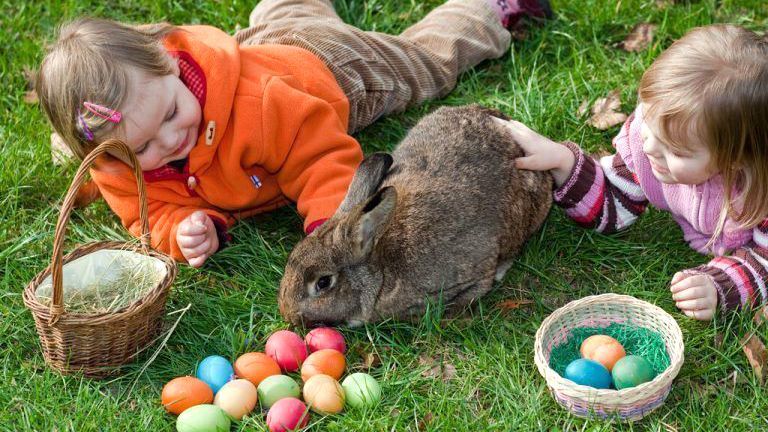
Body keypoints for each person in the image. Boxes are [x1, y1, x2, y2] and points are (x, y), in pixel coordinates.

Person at [36, 0, 552, 267]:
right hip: (264, 46)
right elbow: (148, 216)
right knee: (285, 14)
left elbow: (320, 160)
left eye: (172, 113)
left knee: (426, 62)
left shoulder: (261, 107)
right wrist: (186, 230)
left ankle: (486, 10)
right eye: (144, 146)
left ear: (171, 62)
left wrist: (332, 227)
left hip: (331, 69)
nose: (169, 141)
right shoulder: (116, 160)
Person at [504, 24, 768, 320]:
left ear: (734, 161)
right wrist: (562, 161)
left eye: (677, 151)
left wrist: (722, 285)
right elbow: (615, 199)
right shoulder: (651, 138)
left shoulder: (760, 192)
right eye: (649, 125)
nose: (650, 148)